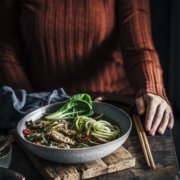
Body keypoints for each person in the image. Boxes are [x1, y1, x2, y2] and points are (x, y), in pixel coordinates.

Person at [0, 0, 174, 135]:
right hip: (44, 107)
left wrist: (151, 89)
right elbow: (6, 51)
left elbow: (139, 48)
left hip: (114, 107)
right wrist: (32, 108)